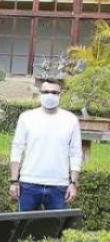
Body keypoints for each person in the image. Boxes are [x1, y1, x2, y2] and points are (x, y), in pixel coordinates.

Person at [10, 79, 82, 211]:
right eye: (46, 92)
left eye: (54, 92)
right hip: (29, 184)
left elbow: (76, 153)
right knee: (24, 229)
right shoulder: (26, 117)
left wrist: (73, 183)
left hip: (59, 186)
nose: (50, 95)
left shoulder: (71, 120)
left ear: (60, 94)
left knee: (56, 230)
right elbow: (17, 149)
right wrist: (14, 181)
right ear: (40, 93)